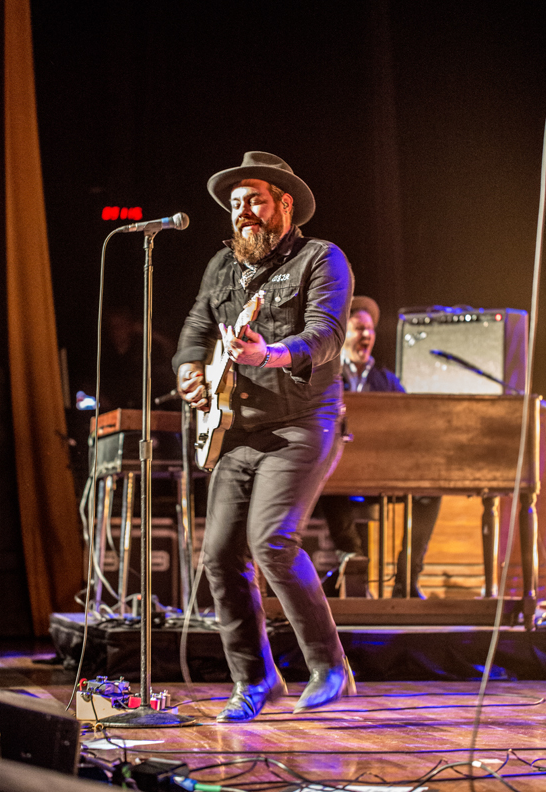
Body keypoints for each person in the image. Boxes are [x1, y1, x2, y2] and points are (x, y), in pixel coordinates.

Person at [173, 152, 356, 722]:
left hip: (304, 421)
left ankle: (330, 667)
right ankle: (254, 680)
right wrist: (188, 370)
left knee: (272, 540)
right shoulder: (221, 268)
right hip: (236, 428)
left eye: (254, 199)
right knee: (218, 555)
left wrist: (271, 353)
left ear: (284, 203)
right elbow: (197, 328)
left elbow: (324, 335)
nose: (242, 211)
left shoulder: (320, 259)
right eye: (234, 203)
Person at [319, 295, 441, 598]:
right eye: (359, 328)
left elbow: (408, 426)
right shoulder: (327, 376)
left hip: (383, 476)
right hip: (341, 478)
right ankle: (352, 561)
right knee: (328, 481)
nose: (367, 335)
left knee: (430, 493)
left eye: (370, 329)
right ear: (343, 332)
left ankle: (407, 576)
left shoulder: (386, 380)